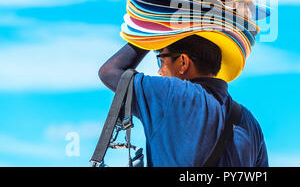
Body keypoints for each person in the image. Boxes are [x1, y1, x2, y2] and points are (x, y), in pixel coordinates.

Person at [98, 34, 268, 167]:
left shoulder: (169, 94)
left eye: (161, 60)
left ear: (183, 62)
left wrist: (151, 32)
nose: (159, 71)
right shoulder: (250, 122)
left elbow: (110, 72)